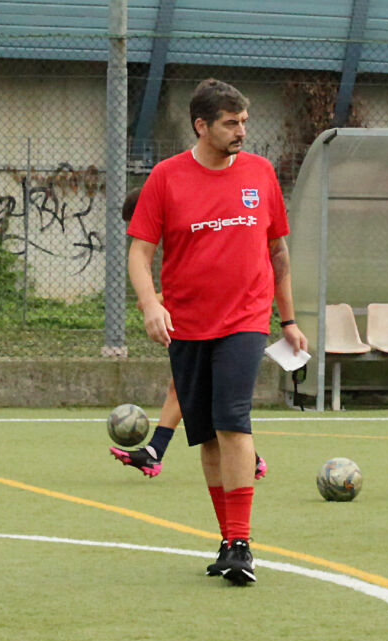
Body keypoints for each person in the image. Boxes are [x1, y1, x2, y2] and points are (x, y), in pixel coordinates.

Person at [127, 79, 307, 584]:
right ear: (201, 126)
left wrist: (288, 320)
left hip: (245, 319)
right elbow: (140, 252)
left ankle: (243, 544)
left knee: (233, 420)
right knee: (206, 434)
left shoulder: (260, 173)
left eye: (244, 121)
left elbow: (277, 251)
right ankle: (228, 540)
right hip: (186, 324)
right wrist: (150, 305)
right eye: (231, 123)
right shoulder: (166, 178)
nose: (241, 131)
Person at [110, 188, 268, 481]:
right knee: (186, 388)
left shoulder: (192, 219)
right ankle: (157, 451)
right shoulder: (176, 229)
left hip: (232, 322)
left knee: (208, 396)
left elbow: (208, 275)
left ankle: (246, 459)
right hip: (202, 319)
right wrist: (155, 299)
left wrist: (156, 300)